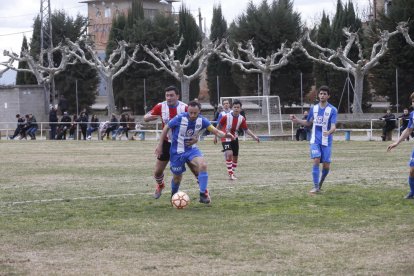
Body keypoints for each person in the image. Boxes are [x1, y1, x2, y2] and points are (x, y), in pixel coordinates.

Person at [155, 101, 234, 204]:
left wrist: (225, 135)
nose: (192, 115)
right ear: (187, 110)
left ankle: (203, 194)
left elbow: (216, 131)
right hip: (177, 152)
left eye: (195, 113)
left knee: (203, 165)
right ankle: (173, 195)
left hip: (191, 149)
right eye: (190, 112)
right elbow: (166, 128)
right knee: (177, 178)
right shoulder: (180, 118)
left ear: (199, 111)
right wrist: (160, 145)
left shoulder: (202, 120)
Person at [144, 85, 198, 199]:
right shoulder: (160, 106)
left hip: (183, 144)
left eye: (172, 95)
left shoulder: (184, 108)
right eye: (167, 95)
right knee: (157, 172)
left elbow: (197, 122)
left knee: (195, 169)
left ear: (177, 96)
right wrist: (151, 116)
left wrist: (196, 137)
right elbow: (146, 117)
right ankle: (160, 185)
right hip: (166, 143)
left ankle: (204, 192)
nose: (169, 98)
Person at [290, 85, 337, 194]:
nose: (322, 95)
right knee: (316, 159)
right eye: (321, 93)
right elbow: (308, 123)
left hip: (326, 141)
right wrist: (297, 120)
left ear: (328, 96)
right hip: (315, 140)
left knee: (326, 165)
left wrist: (329, 132)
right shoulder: (313, 108)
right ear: (318, 95)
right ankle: (316, 187)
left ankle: (320, 183)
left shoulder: (333, 110)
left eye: (325, 94)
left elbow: (334, 126)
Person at [214, 100, 260, 180]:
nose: (236, 109)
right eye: (234, 107)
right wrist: (215, 136)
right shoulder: (226, 116)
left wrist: (254, 136)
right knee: (229, 154)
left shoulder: (242, 119)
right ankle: (231, 174)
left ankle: (232, 171)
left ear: (240, 109)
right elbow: (218, 126)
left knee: (235, 158)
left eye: (238, 107)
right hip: (225, 137)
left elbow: (246, 129)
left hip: (234, 138)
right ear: (232, 108)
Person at [387, 92, 414, 199]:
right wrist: (396, 142)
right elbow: (408, 130)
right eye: (413, 101)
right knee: (412, 170)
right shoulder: (413, 115)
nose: (413, 103)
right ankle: (412, 192)